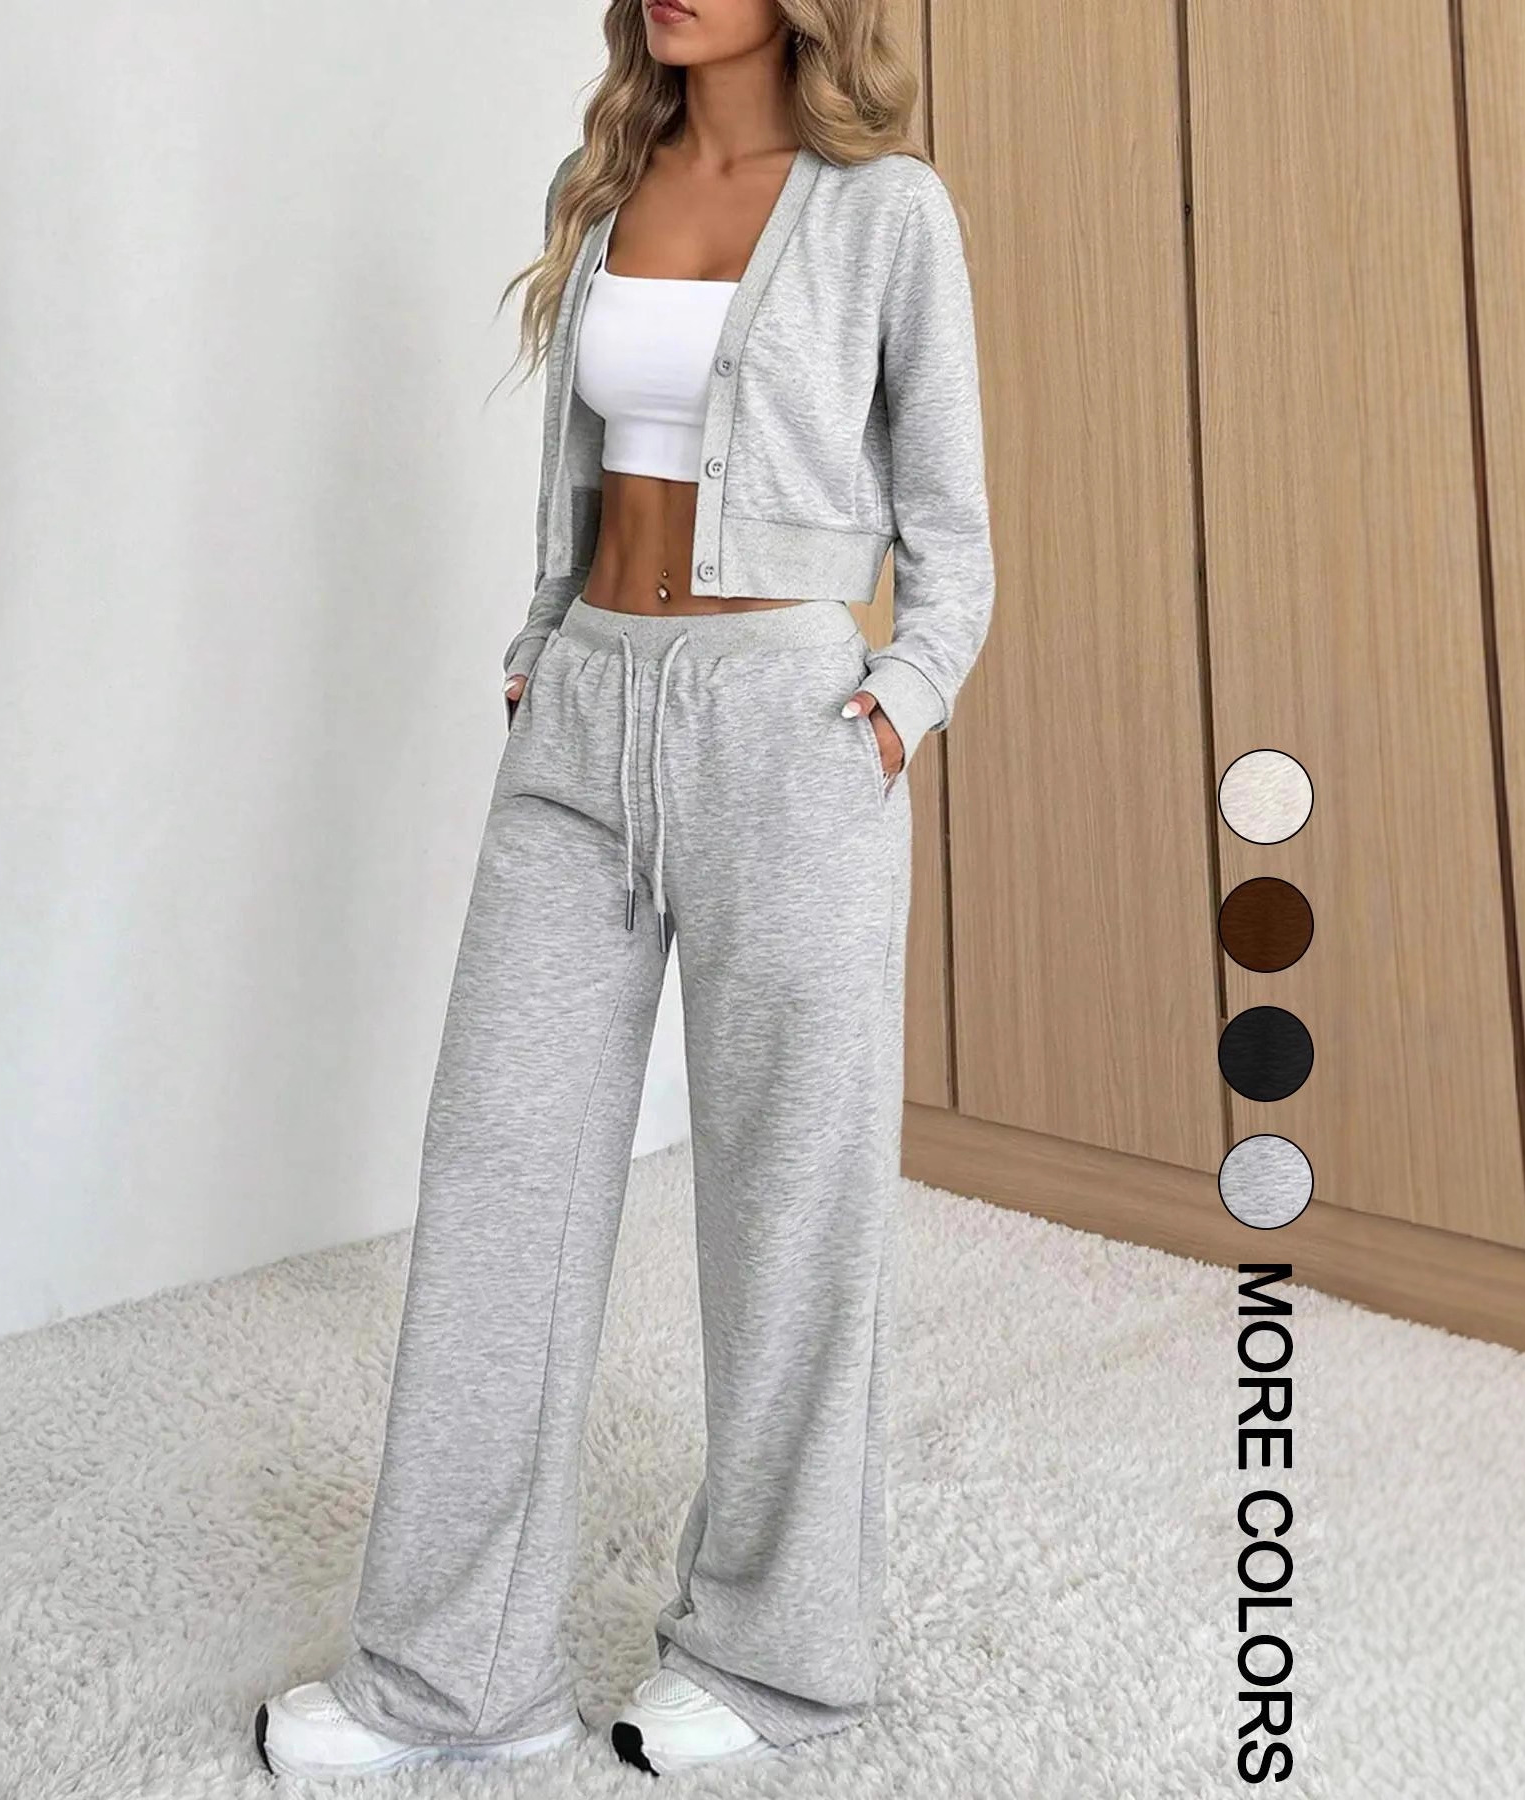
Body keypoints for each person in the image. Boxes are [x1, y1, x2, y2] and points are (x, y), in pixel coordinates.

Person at [256, 0, 992, 1780]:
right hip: (586, 717)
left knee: (790, 1208)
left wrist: (891, 709)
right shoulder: (607, 182)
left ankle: (774, 1662)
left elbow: (952, 541)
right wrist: (541, 647)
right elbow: (577, 490)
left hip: (787, 729)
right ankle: (453, 1681)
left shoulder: (889, 211)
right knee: (499, 1182)